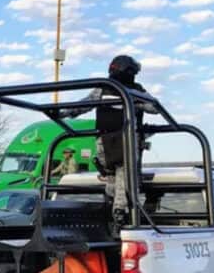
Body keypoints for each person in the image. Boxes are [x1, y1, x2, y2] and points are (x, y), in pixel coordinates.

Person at [59, 55, 159, 230]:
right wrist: (136, 101)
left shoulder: (104, 88)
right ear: (130, 72)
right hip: (125, 144)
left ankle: (111, 208)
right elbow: (155, 107)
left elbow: (83, 104)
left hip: (103, 145)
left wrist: (63, 112)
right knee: (125, 174)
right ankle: (120, 211)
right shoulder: (134, 90)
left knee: (114, 176)